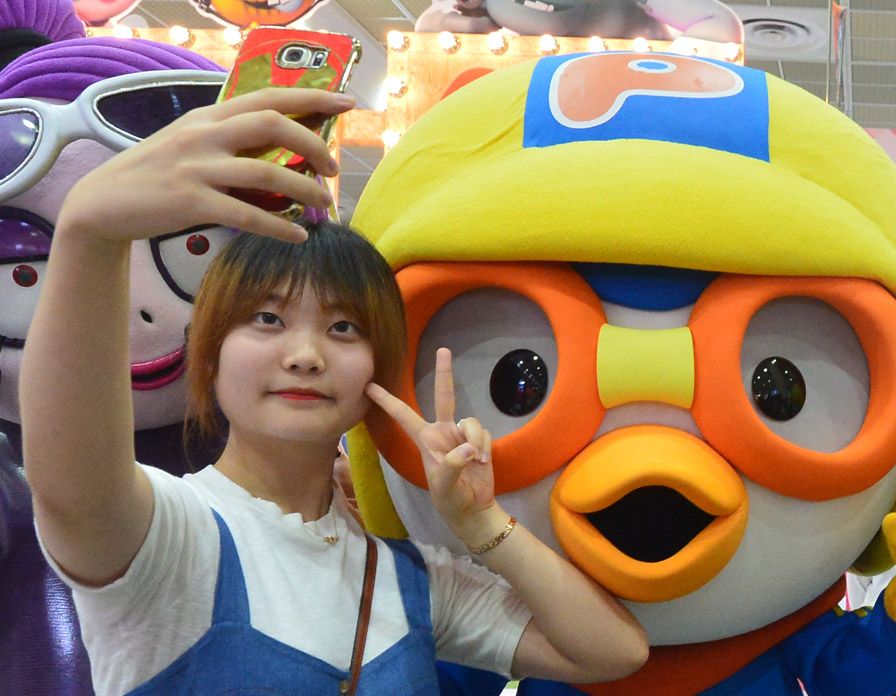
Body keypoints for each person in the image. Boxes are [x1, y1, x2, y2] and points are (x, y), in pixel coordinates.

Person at [18, 86, 649, 695]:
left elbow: (611, 650)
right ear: (208, 355)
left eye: (343, 328)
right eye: (267, 319)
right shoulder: (166, 536)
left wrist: (477, 519)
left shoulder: (408, 581)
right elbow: (72, 485)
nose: (305, 355)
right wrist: (88, 234)